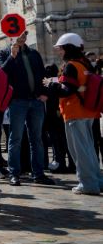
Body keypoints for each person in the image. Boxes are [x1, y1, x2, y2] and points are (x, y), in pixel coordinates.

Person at [45, 33, 103, 195]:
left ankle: (88, 184)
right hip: (88, 111)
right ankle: (97, 180)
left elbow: (67, 90)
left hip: (74, 111)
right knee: (89, 149)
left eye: (61, 49)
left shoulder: (71, 66)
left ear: (68, 48)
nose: (59, 52)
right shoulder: (85, 64)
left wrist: (51, 84)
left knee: (79, 151)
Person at [0, 31, 54, 186]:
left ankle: (38, 173)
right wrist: (12, 56)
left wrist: (45, 93)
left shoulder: (34, 53)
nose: (22, 37)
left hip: (36, 101)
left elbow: (43, 75)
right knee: (15, 138)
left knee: (37, 139)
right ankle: (14, 173)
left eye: (24, 34)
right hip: (17, 102)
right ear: (11, 36)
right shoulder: (4, 53)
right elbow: (1, 74)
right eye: (19, 35)